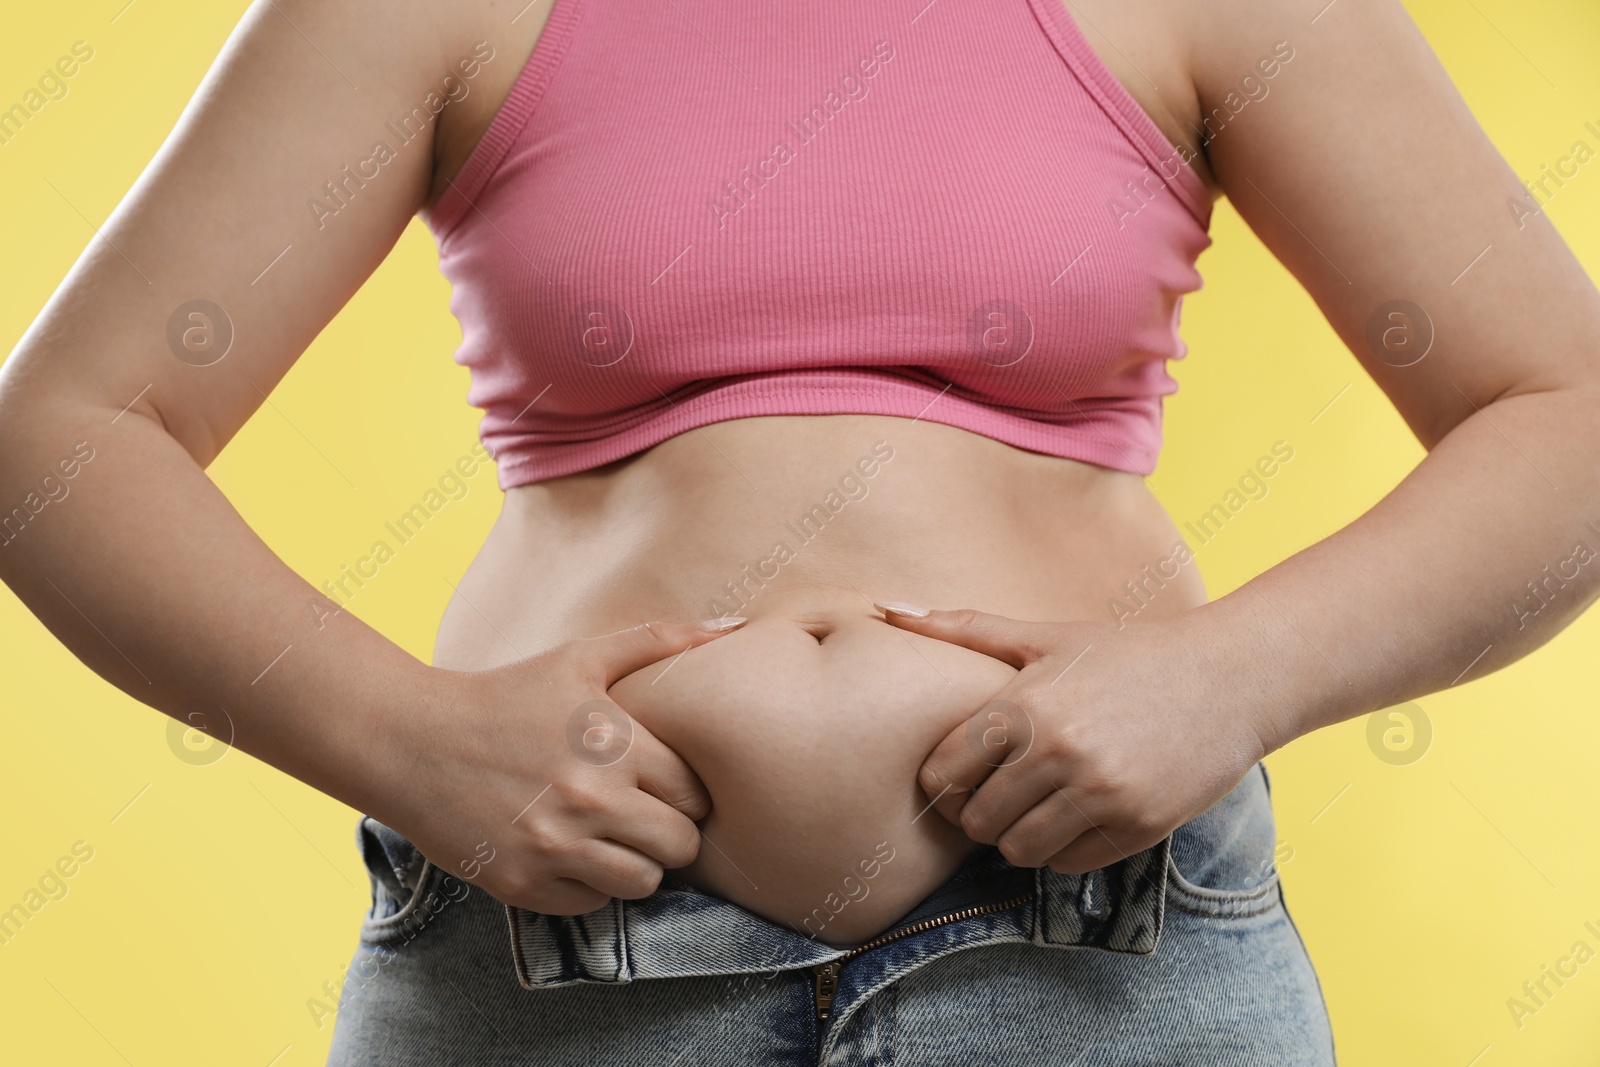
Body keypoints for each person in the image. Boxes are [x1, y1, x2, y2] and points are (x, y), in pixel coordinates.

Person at [3, 0, 1597, 1062]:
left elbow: (1569, 416)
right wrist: (412, 746)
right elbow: (60, 439)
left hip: (1099, 963)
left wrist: (1230, 679)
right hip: (561, 971)